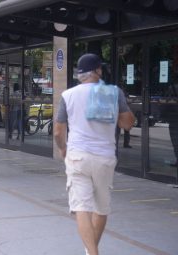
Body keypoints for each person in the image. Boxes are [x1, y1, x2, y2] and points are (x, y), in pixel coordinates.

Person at [54, 53, 135, 255]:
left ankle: (92, 252)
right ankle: (91, 252)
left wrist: (62, 147)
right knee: (101, 208)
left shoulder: (68, 95)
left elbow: (58, 131)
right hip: (104, 158)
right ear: (97, 70)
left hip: (77, 157)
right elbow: (127, 124)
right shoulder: (112, 93)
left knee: (81, 207)